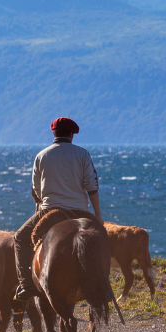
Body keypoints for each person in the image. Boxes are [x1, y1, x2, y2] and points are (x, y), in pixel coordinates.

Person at [12, 117, 102, 304]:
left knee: (20, 238)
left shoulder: (41, 156)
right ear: (71, 134)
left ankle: (26, 286)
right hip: (80, 211)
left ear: (53, 133)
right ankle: (103, 284)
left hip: (50, 210)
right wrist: (98, 216)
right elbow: (91, 186)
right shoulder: (82, 154)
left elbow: (36, 190)